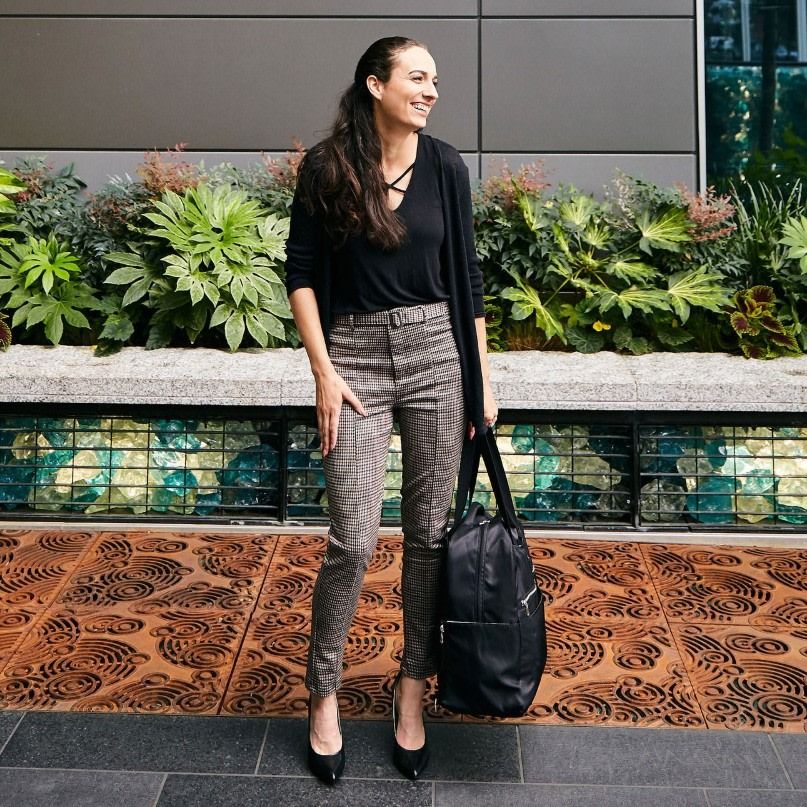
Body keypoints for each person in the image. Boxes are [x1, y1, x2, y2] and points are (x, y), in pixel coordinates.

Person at [283, 35, 498, 785]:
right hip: (354, 359)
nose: (431, 90)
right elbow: (300, 273)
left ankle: (412, 689)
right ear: (376, 85)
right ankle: (324, 692)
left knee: (429, 537)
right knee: (351, 538)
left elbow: (467, 274)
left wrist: (481, 379)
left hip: (439, 353)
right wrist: (322, 371)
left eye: (435, 79)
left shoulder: (446, 166)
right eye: (417, 77)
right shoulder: (327, 167)